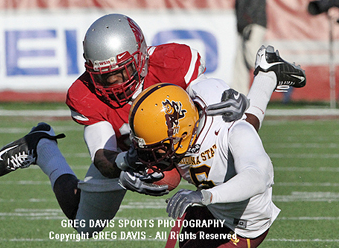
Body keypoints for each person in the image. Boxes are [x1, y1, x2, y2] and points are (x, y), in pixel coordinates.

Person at [0, 13, 305, 237]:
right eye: (103, 76)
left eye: (120, 72)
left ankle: (267, 73)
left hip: (172, 140)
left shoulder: (173, 63)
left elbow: (211, 113)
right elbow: (103, 157)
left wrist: (224, 107)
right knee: (85, 225)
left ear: (140, 57)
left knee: (235, 135)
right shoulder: (87, 95)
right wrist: (129, 162)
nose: (113, 83)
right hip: (126, 152)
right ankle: (42, 147)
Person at [124, 45, 306, 247]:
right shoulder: (186, 121)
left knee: (243, 127)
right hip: (209, 209)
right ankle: (268, 73)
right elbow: (196, 89)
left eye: (158, 148)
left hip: (242, 226)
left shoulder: (231, 130)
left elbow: (258, 177)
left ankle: (268, 74)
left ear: (180, 134)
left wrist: (206, 196)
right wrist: (123, 167)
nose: (153, 156)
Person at [231, 0, 267, 95]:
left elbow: (254, 5)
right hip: (245, 26)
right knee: (240, 63)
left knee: (256, 60)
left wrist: (248, 21)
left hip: (252, 24)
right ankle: (239, 94)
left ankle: (278, 76)